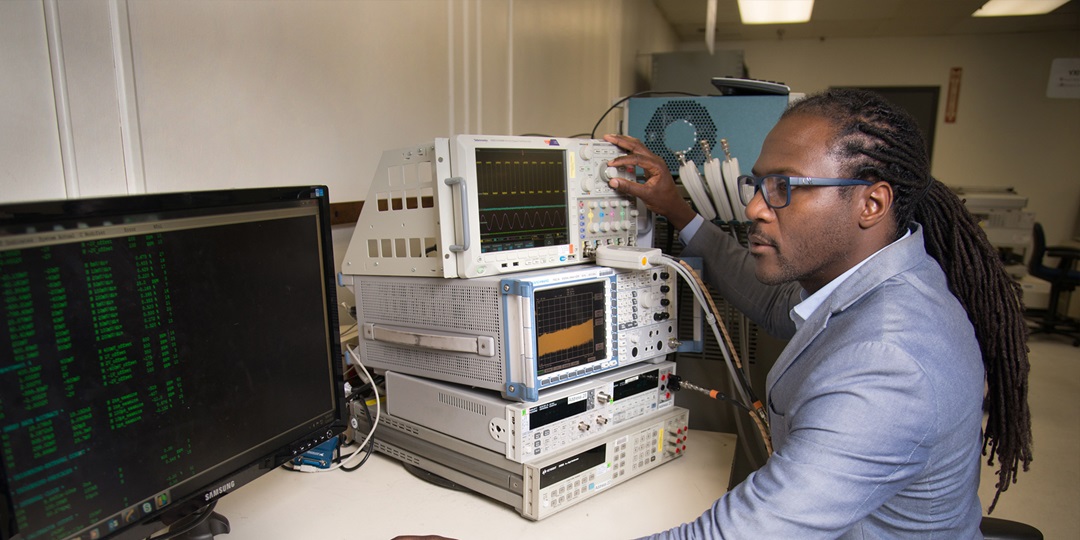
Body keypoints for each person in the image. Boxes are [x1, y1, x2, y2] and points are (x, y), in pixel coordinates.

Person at [598, 88, 1032, 538]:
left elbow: (738, 534)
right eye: (758, 184)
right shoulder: (878, 282)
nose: (753, 208)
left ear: (872, 204)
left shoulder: (889, 360)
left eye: (784, 187)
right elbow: (769, 301)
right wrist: (675, 208)